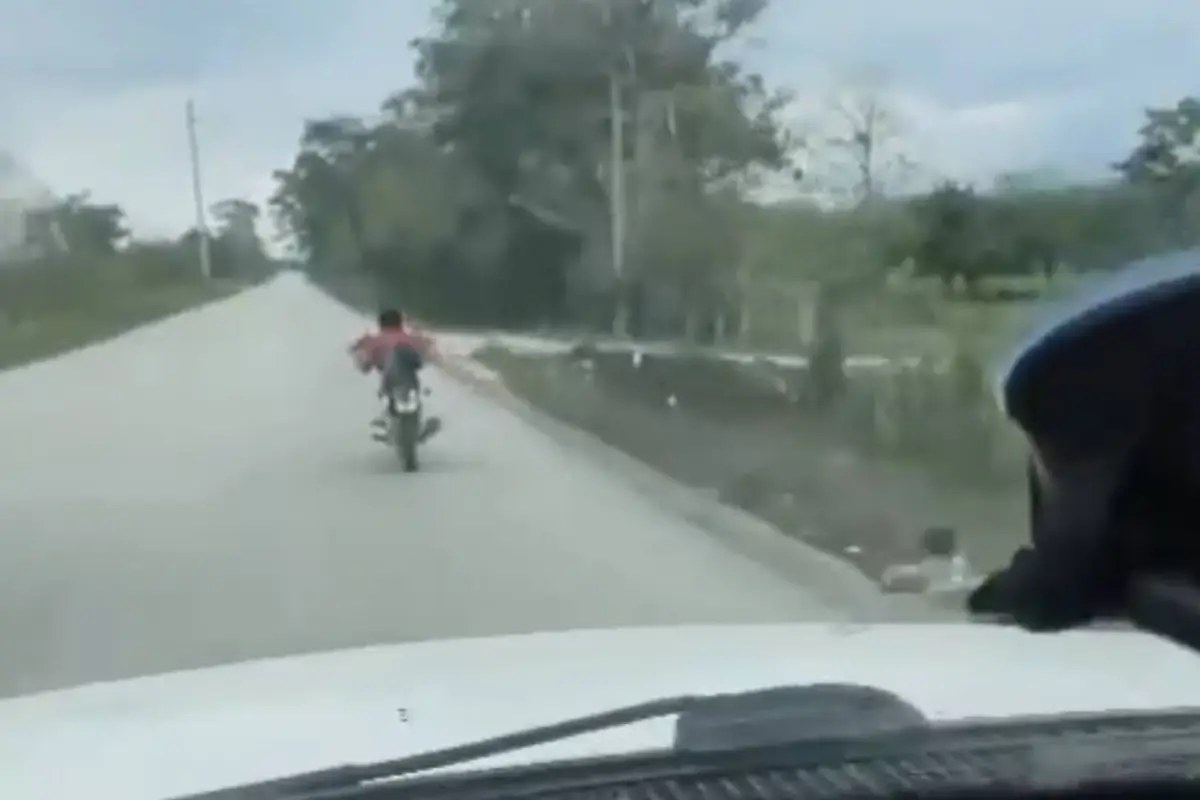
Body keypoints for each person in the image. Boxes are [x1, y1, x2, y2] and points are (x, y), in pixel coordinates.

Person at [349, 308, 438, 439]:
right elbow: (429, 354)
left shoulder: (373, 341)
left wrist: (362, 359)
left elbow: (364, 364)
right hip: (410, 382)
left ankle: (390, 423)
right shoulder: (413, 338)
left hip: (389, 382)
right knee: (415, 396)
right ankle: (412, 425)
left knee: (387, 397)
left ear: (380, 324)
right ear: (400, 323)